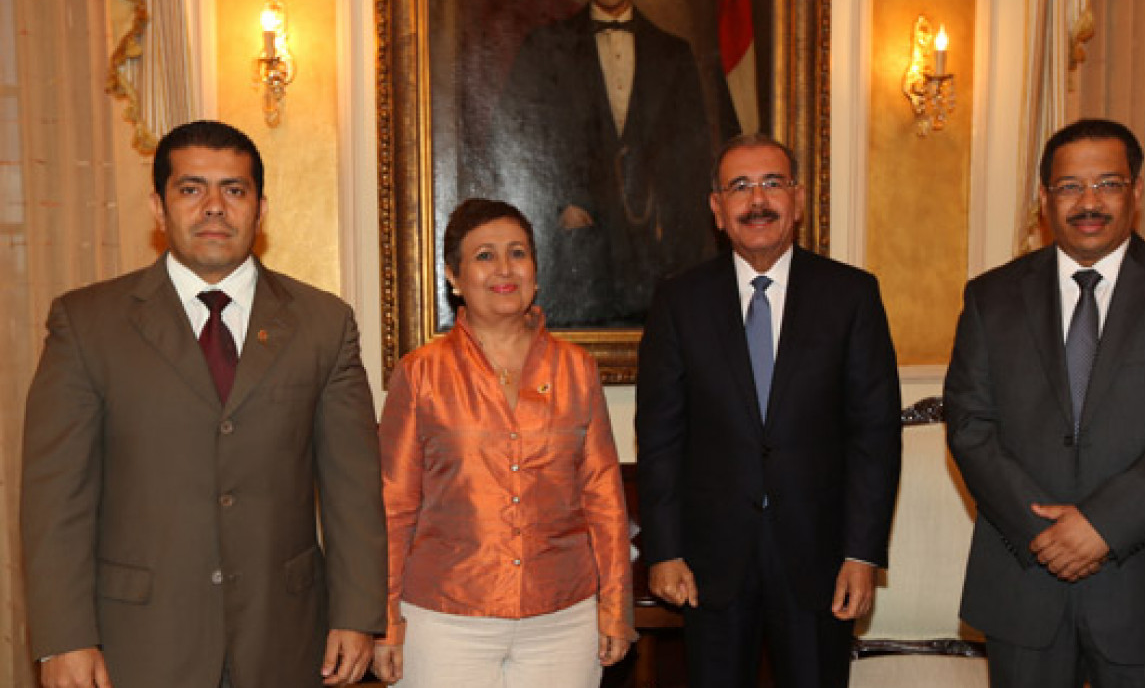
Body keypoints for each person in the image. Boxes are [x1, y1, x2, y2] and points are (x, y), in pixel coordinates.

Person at [20, 120, 387, 688]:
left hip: (285, 639)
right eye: (191, 189)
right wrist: (63, 638)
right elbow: (55, 498)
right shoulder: (87, 323)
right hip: (137, 645)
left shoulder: (323, 323)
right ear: (158, 208)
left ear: (260, 209)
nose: (214, 206)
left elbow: (354, 488)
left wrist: (358, 614)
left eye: (234, 190)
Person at [944, 118, 1145, 687]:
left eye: (1108, 184)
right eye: (1069, 187)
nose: (1089, 202)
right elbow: (969, 425)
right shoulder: (990, 297)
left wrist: (1102, 526)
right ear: (1044, 199)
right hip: (1025, 584)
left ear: (1136, 192)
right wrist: (1047, 536)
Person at [636, 134, 903, 687]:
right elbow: (660, 437)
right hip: (710, 564)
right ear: (717, 208)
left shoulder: (850, 295)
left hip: (820, 560)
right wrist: (663, 550)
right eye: (740, 186)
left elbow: (874, 436)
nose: (757, 201)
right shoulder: (679, 301)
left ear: (798, 200)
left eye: (772, 183)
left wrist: (862, 553)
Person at [371, 198, 636, 687]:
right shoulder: (420, 373)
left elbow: (603, 497)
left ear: (535, 269)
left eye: (517, 253)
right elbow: (393, 506)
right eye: (484, 256)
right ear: (453, 276)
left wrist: (616, 605)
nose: (504, 269)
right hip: (444, 620)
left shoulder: (577, 370)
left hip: (563, 619)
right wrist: (386, 620)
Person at [488, 0, 737, 326]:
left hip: (654, 270)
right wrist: (558, 208)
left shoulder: (674, 55)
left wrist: (670, 245)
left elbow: (692, 166)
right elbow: (511, 145)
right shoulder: (543, 48)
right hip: (574, 272)